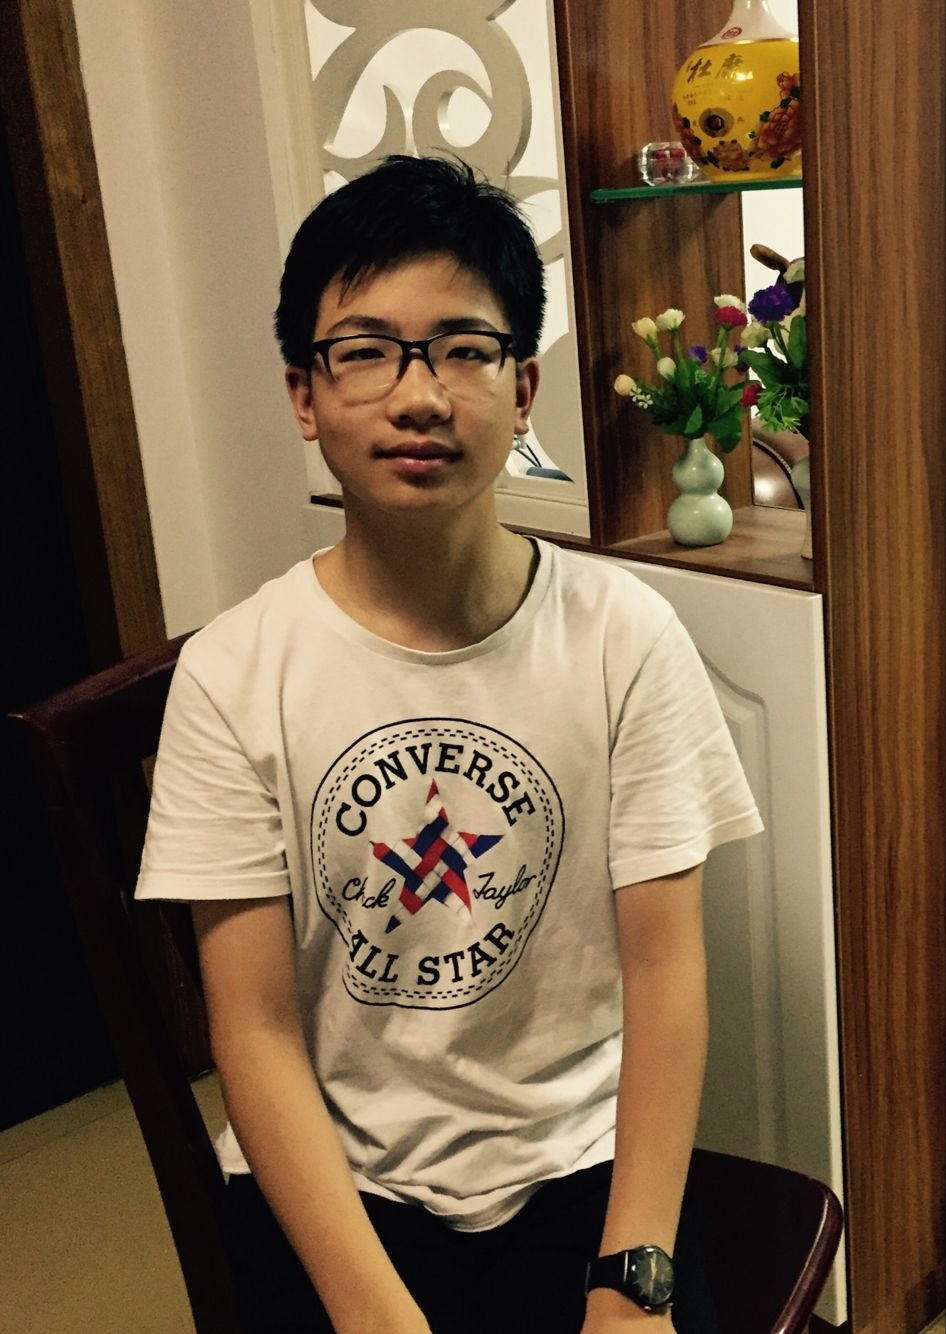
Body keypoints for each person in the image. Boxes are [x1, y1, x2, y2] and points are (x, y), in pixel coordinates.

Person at [136, 155, 763, 1333]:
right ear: (303, 393)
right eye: (365, 350)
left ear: (523, 390)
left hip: (576, 1158)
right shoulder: (232, 672)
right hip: (341, 1176)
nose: (417, 395)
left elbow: (665, 972)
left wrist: (633, 1278)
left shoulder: (624, 636)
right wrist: (377, 1315)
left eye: (462, 349)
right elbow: (253, 1027)